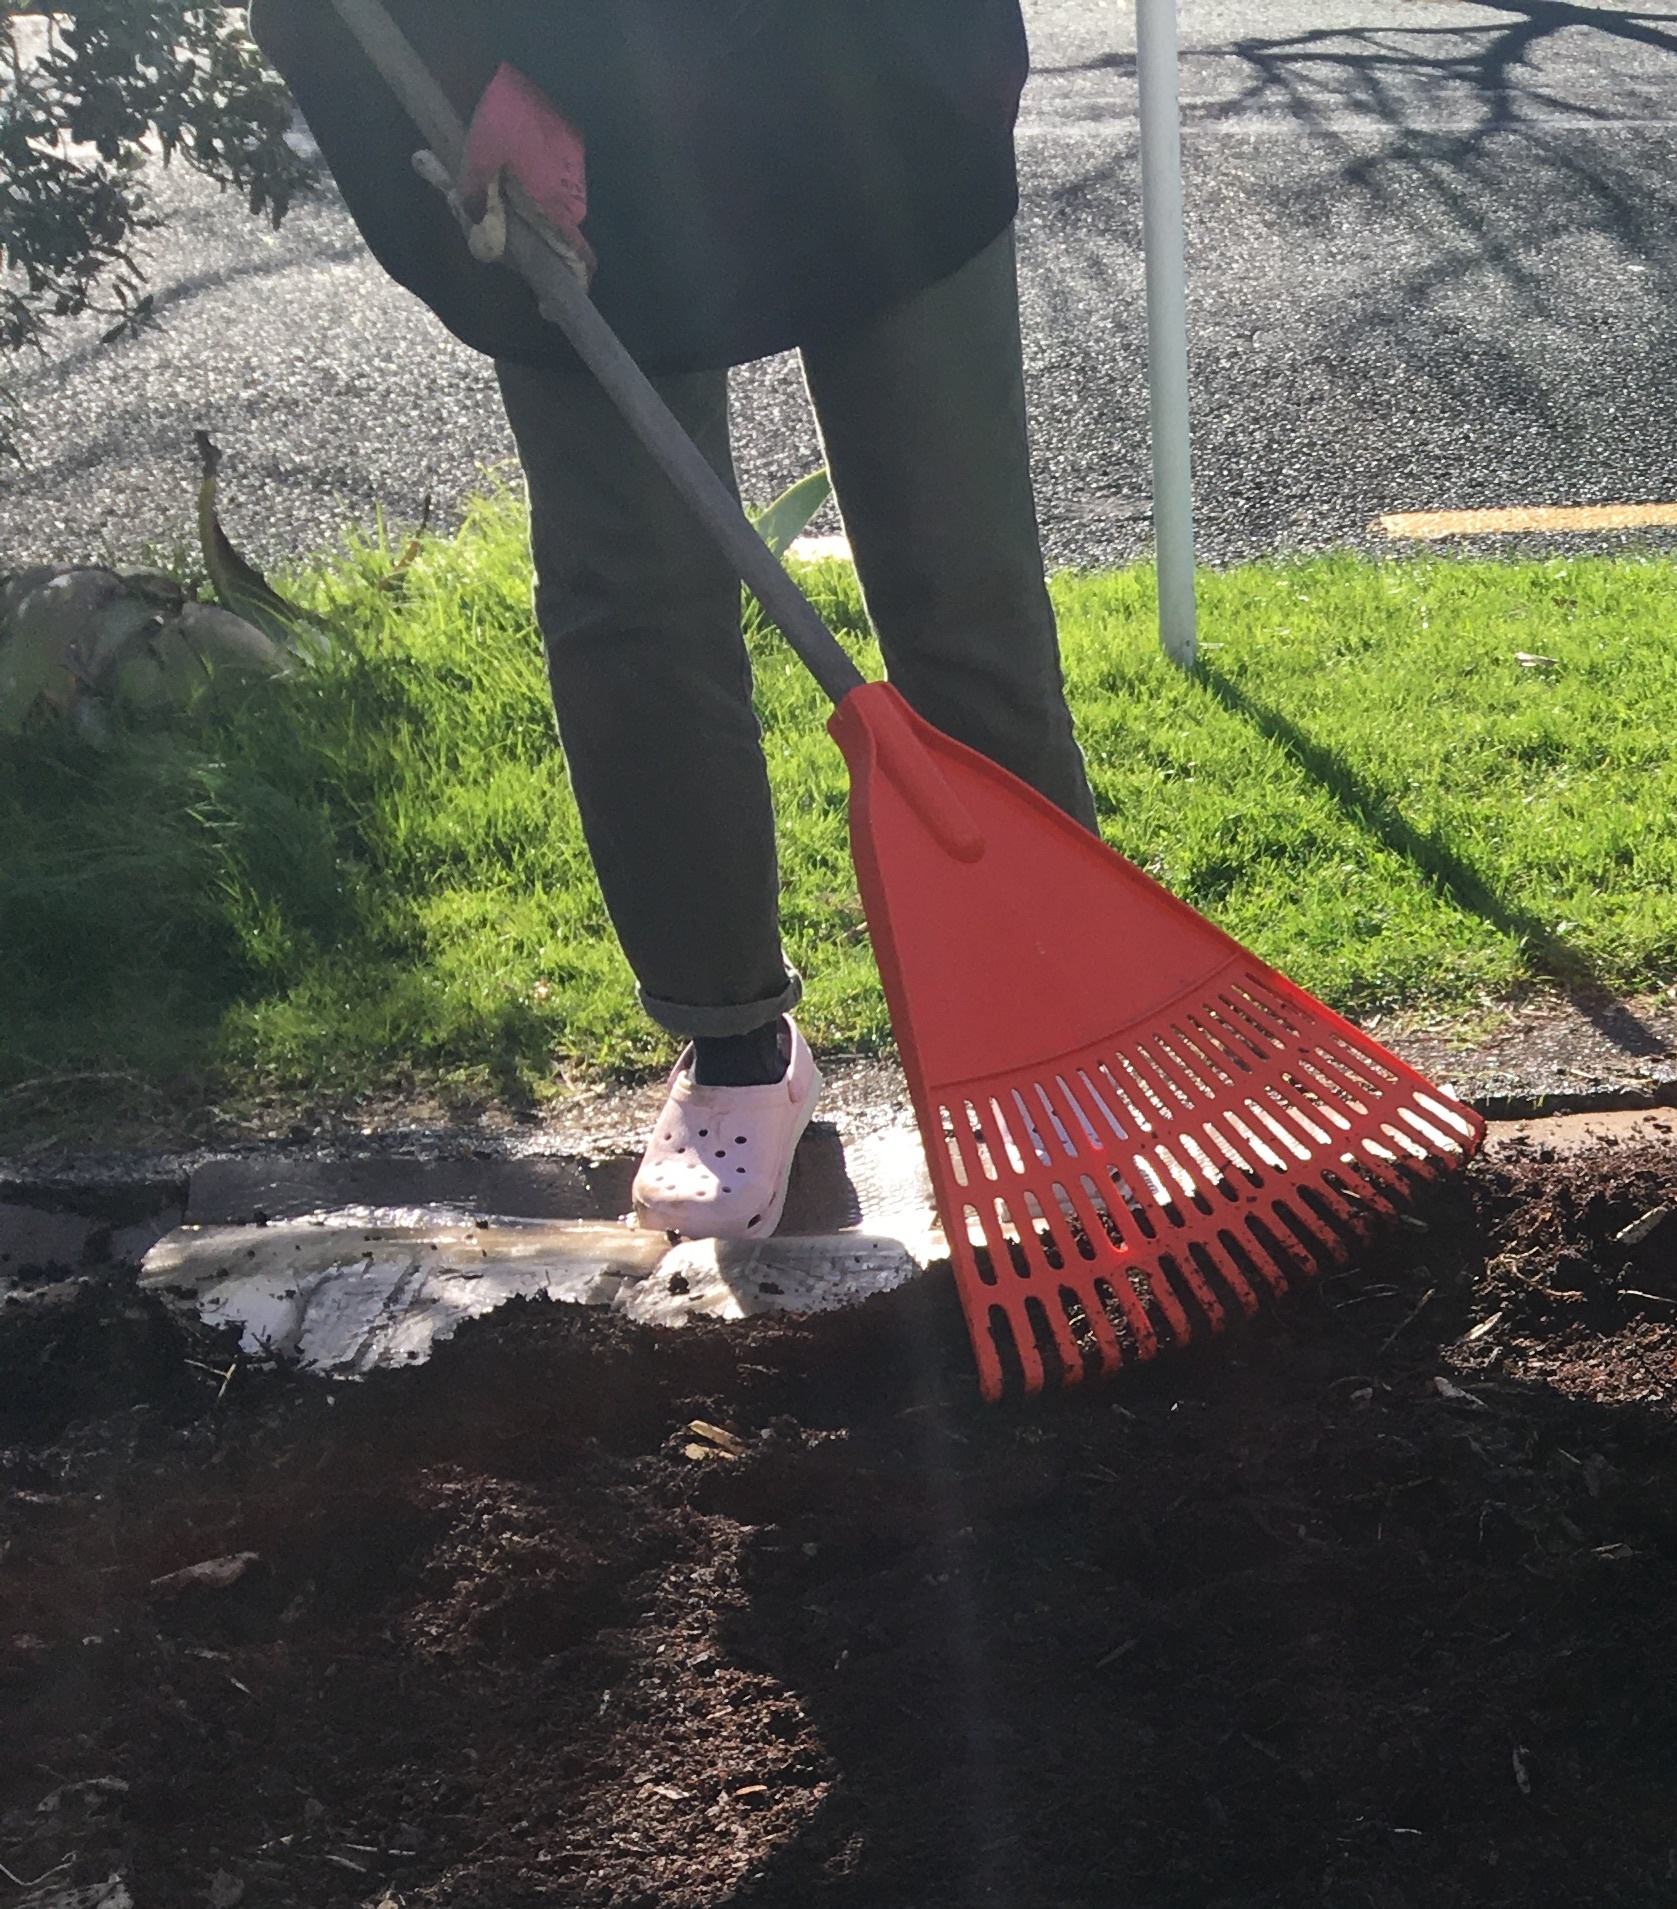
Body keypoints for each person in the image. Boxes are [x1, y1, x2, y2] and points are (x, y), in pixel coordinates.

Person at [248, 2, 1095, 1241]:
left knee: (962, 585)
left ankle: (1058, 1020)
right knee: (632, 598)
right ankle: (735, 1042)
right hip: (555, 95)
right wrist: (464, 61)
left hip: (873, 73)